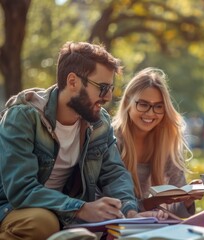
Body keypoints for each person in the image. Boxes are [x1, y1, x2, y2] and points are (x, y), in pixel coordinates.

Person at [0, 41, 146, 240]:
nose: (109, 97)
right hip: (12, 208)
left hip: (65, 211)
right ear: (73, 81)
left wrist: (130, 212)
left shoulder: (98, 123)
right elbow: (21, 190)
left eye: (111, 88)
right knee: (42, 222)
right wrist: (81, 209)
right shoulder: (23, 117)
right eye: (102, 88)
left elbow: (114, 173)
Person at [112, 67, 203, 219]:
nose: (150, 113)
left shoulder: (169, 141)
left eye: (158, 106)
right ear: (128, 101)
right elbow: (104, 199)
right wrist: (148, 204)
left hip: (156, 224)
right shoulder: (111, 139)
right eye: (143, 104)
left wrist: (187, 199)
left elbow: (176, 209)